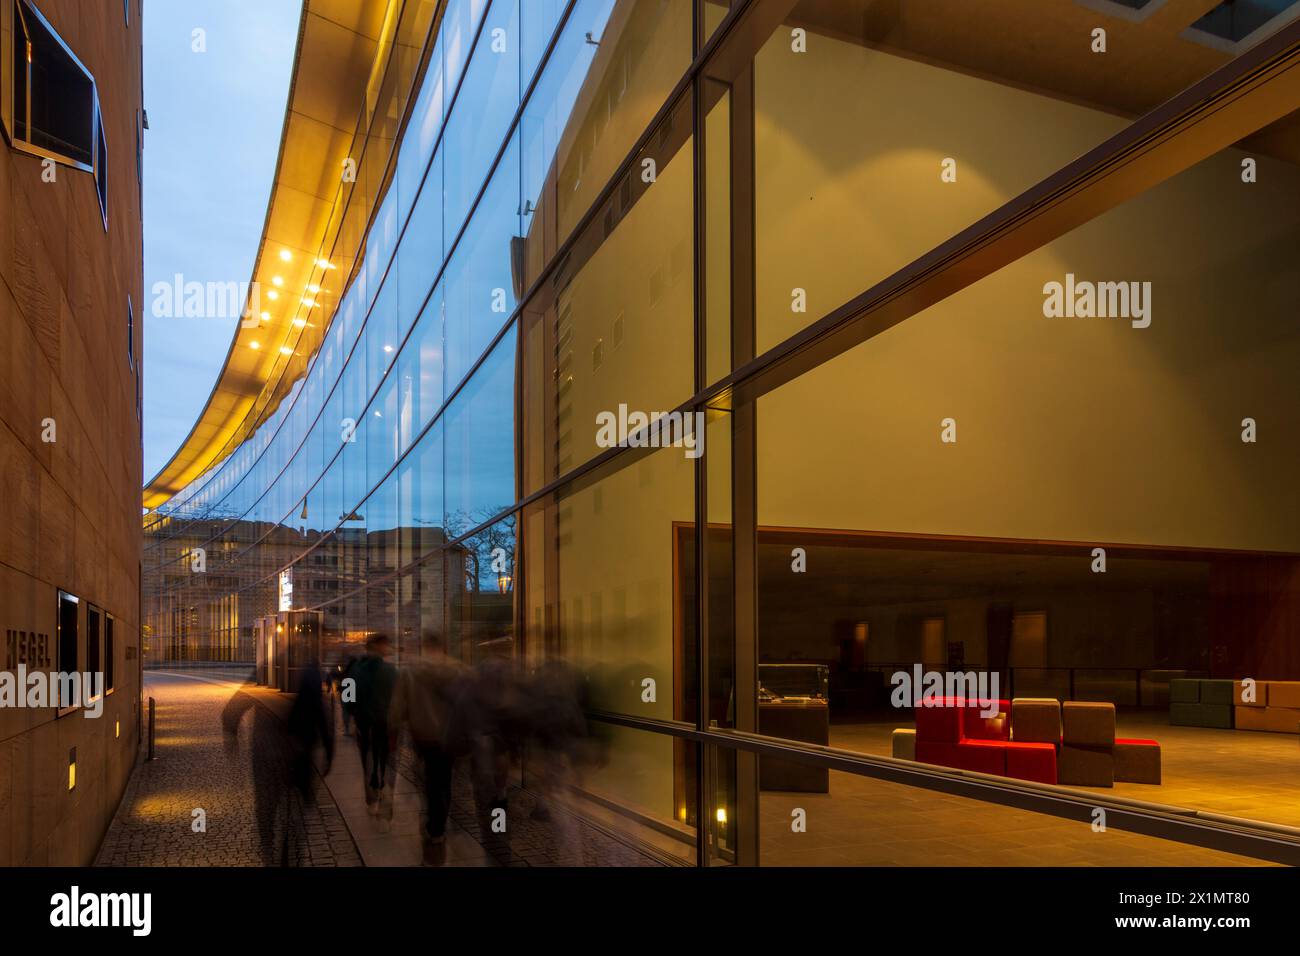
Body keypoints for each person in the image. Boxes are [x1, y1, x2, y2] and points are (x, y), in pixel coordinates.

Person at [393, 632, 465, 865]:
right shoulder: (458, 671)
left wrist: (394, 729)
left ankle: (435, 828)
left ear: (425, 646)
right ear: (443, 646)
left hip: (423, 736)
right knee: (444, 780)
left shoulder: (410, 671)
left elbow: (398, 707)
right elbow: (467, 705)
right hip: (450, 737)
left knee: (431, 781)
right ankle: (439, 823)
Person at [351, 633, 398, 819]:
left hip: (365, 726)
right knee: (388, 761)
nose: (388, 649)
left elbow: (347, 698)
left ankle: (371, 799)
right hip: (386, 726)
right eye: (385, 645)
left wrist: (355, 715)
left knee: (368, 762)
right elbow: (399, 697)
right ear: (378, 647)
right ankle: (385, 796)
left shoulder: (355, 669)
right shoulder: (391, 671)